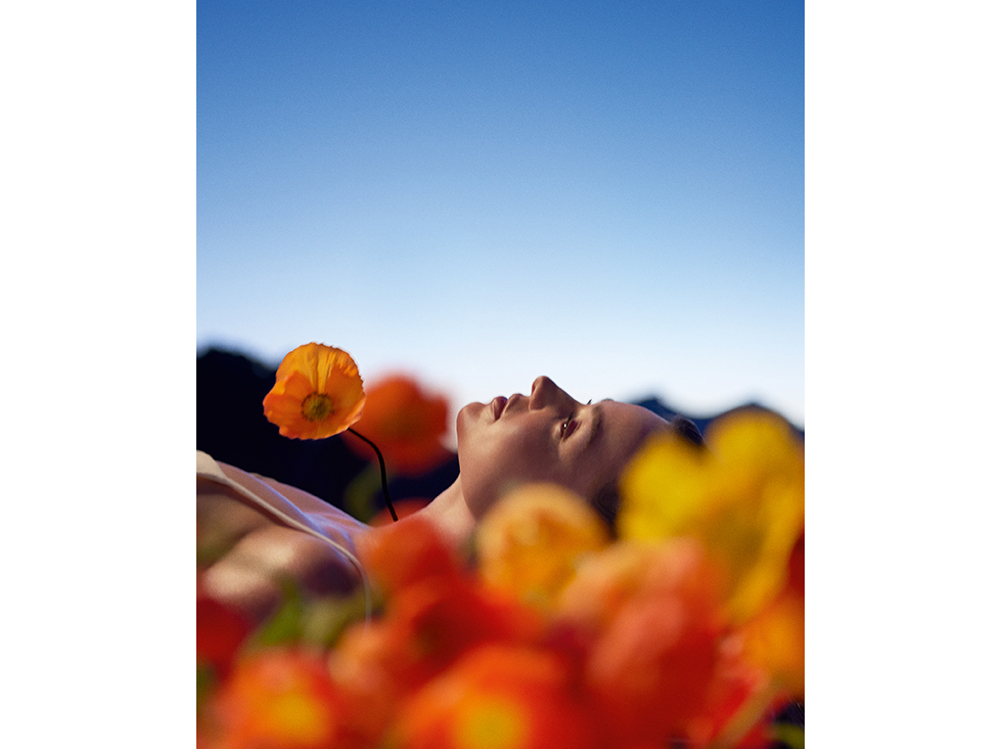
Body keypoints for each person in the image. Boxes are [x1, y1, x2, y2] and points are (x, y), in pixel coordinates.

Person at [197, 376, 700, 626]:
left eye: (569, 427)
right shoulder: (341, 536)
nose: (544, 385)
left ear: (555, 532)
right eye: (582, 402)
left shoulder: (312, 584)